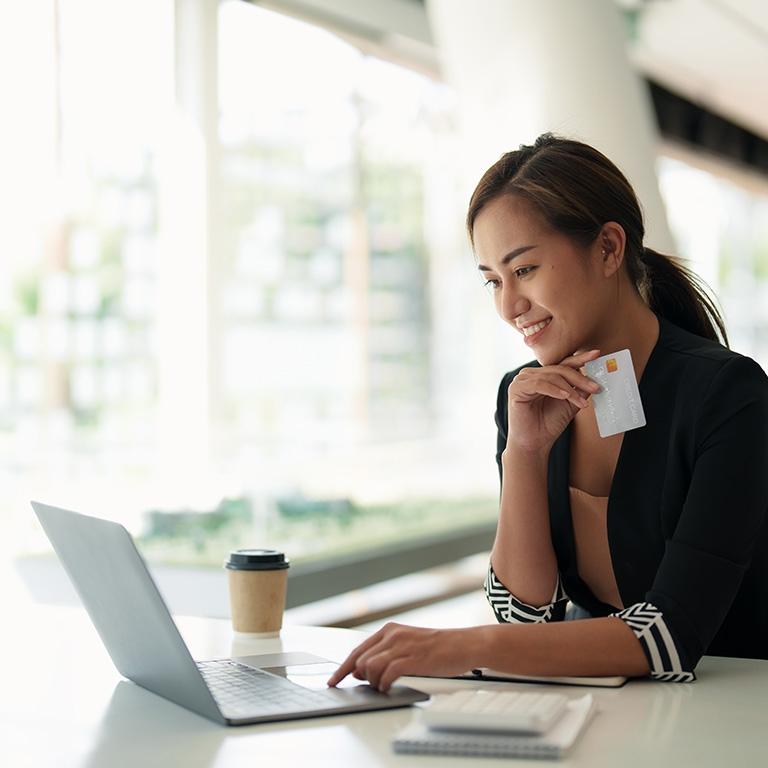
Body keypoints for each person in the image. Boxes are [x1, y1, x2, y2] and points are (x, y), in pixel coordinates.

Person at [327, 133, 768, 692]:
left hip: (735, 715)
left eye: (526, 270)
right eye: (493, 280)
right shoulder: (526, 396)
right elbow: (523, 616)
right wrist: (526, 453)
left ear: (608, 248)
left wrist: (455, 646)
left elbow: (671, 635)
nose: (508, 307)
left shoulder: (728, 394)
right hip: (605, 711)